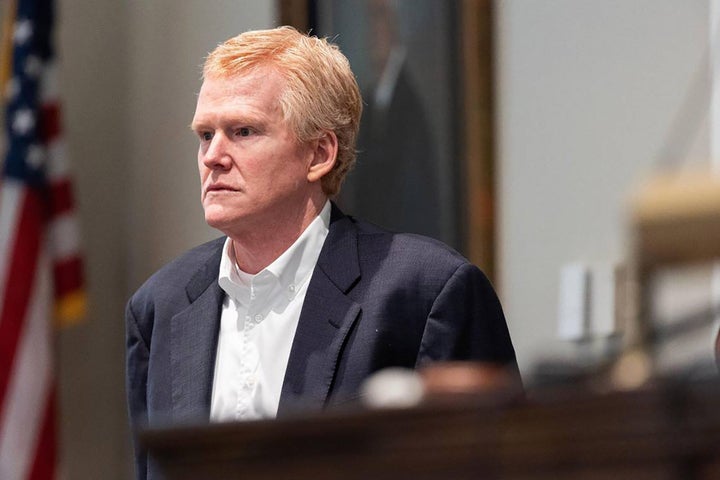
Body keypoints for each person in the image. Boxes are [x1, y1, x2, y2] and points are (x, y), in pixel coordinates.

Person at [125, 26, 518, 480]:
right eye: (205, 134)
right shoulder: (159, 306)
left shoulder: (426, 293)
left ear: (319, 153)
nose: (213, 155)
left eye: (243, 130)